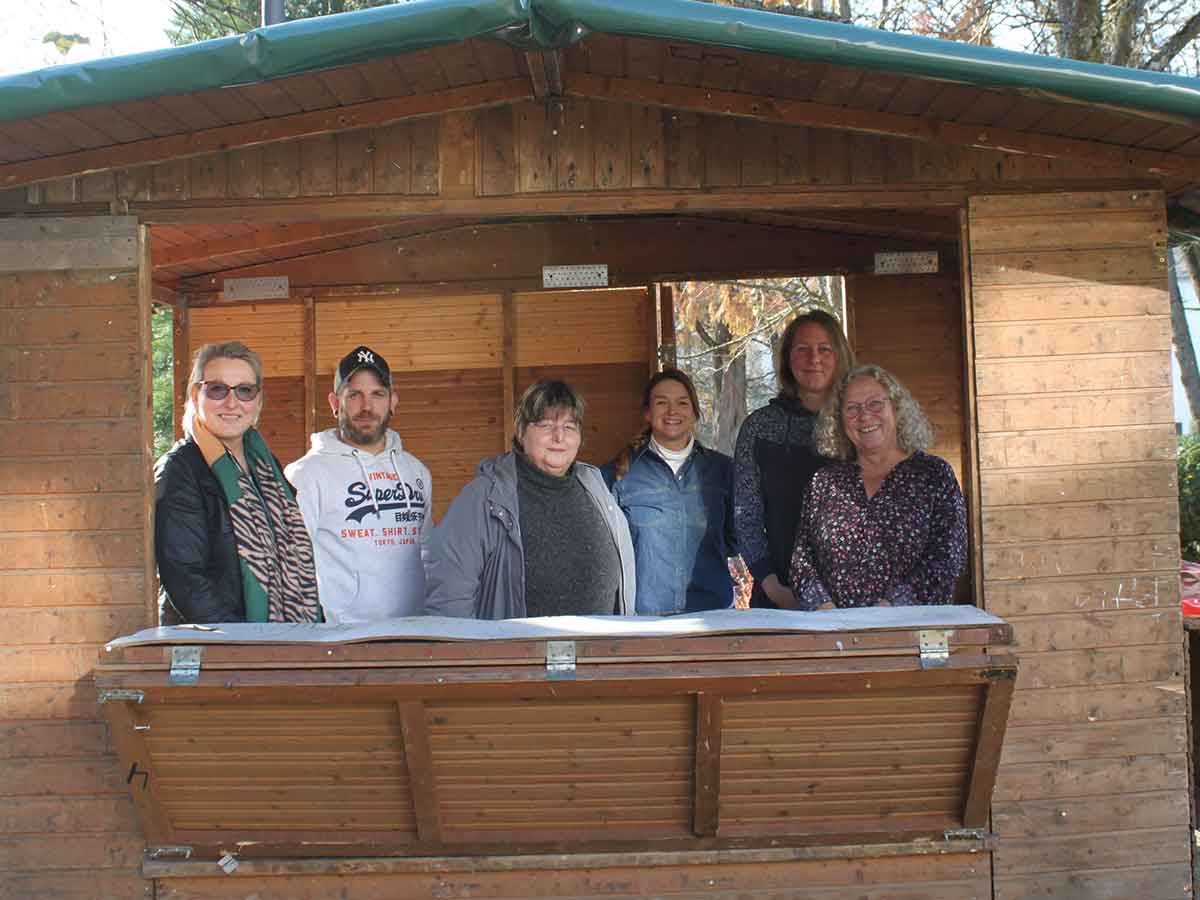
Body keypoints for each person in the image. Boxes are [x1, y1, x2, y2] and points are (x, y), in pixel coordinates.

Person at [425, 380, 635, 619]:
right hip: (517, 654)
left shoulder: (596, 488)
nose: (559, 437)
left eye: (569, 426)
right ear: (521, 432)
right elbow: (448, 595)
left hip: (600, 653)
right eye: (546, 425)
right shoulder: (485, 497)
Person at [155, 341, 320, 625]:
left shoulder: (267, 467)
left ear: (257, 400)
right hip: (217, 648)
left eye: (244, 390)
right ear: (196, 395)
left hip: (281, 640)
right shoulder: (180, 468)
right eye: (217, 389)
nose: (232, 403)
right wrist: (242, 643)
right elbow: (185, 579)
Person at [788, 364, 967, 610]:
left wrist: (891, 607)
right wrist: (823, 607)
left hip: (911, 633)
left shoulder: (934, 475)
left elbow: (948, 558)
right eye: (852, 408)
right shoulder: (824, 482)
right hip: (836, 635)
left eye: (875, 404)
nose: (864, 415)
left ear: (896, 408)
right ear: (839, 421)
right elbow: (801, 561)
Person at [285, 346, 431, 623]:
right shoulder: (305, 474)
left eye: (378, 394)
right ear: (334, 402)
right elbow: (292, 569)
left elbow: (427, 550)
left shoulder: (416, 472)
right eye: (354, 395)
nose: (367, 406)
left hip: (414, 635)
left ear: (393, 401)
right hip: (341, 644)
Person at [733, 310, 854, 609]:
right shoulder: (759, 427)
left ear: (839, 356)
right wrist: (773, 586)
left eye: (824, 348)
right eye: (803, 349)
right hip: (781, 597)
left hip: (855, 600)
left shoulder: (859, 423)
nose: (814, 358)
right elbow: (746, 517)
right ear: (787, 358)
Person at [603, 369, 736, 615]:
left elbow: (734, 540)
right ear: (647, 413)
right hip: (644, 618)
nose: (672, 411)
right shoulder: (617, 475)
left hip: (713, 615)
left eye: (682, 403)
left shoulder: (723, 471)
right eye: (662, 403)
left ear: (695, 412)